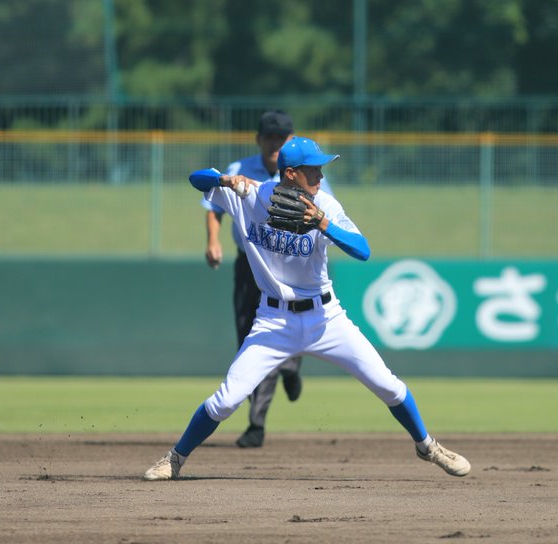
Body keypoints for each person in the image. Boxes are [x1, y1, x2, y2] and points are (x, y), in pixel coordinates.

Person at [145, 136, 470, 480]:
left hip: (325, 318)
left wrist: (322, 223)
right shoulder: (251, 196)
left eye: (320, 168)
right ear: (289, 174)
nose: (319, 175)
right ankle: (174, 459)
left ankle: (428, 446)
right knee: (226, 401)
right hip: (273, 321)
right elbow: (196, 180)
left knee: (388, 386)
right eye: (312, 169)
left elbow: (363, 250)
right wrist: (225, 180)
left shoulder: (325, 205)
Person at [202, 110, 318, 448]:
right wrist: (213, 240)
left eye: (281, 138)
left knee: (294, 323)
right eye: (269, 137)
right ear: (259, 139)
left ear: (290, 140)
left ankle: (289, 370)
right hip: (250, 264)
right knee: (249, 336)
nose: (275, 143)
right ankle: (259, 420)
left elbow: (326, 212)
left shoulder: (307, 172)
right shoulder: (240, 170)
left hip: (293, 264)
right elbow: (213, 205)